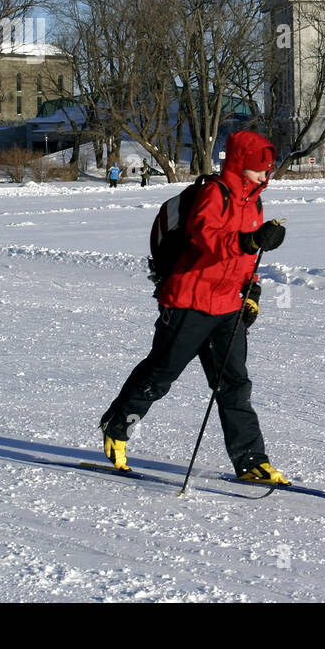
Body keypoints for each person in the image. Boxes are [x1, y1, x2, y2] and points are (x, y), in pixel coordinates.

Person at [98, 130, 289, 483]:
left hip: (227, 306)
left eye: (268, 169)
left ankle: (251, 461)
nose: (266, 175)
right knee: (160, 375)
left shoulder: (254, 202)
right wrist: (248, 240)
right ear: (241, 165)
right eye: (260, 168)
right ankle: (117, 427)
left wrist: (252, 292)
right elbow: (205, 237)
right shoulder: (213, 193)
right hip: (189, 300)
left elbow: (246, 261)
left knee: (235, 386)